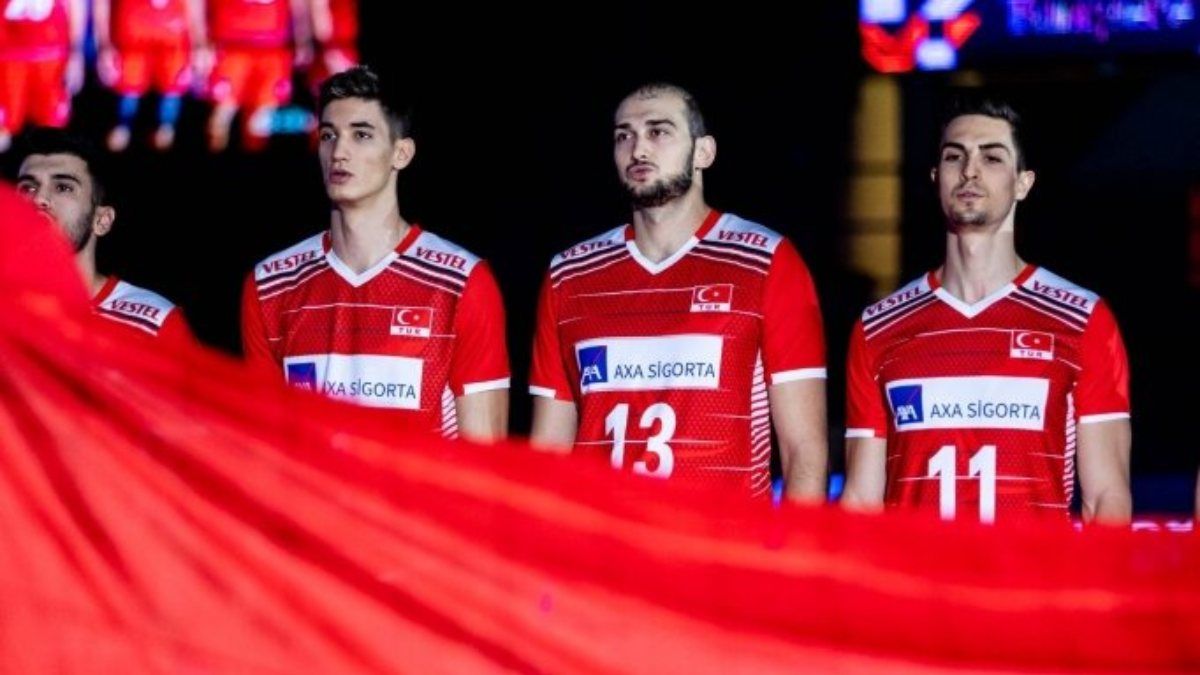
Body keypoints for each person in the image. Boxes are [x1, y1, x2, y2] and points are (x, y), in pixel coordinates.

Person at [528, 83, 828, 499]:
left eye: (658, 132)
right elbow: (548, 454)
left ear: (703, 152)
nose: (638, 149)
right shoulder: (570, 275)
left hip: (715, 536)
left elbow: (804, 453)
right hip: (601, 535)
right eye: (624, 135)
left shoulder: (766, 262)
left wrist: (791, 543)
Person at [840, 98, 1132, 525]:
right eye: (954, 156)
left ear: (1023, 183)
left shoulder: (1083, 319)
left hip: (1030, 569)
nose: (969, 171)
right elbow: (861, 502)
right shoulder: (878, 327)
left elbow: (1106, 498)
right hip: (917, 570)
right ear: (936, 178)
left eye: (991, 157)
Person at [241, 65, 510, 441]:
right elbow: (265, 446)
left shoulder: (461, 283)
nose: (339, 152)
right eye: (328, 135)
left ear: (401, 153)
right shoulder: (271, 286)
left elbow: (483, 459)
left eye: (361, 135)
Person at [14, 127, 193, 341]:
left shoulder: (155, 324)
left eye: (63, 187)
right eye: (28, 188)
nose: (38, 199)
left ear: (102, 221)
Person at [94, 0, 207, 152]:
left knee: (166, 124)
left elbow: (195, 4)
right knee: (121, 126)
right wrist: (104, 43)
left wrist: (199, 41)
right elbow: (102, 3)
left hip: (174, 43)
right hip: (130, 42)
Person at [204, 0, 312, 152]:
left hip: (273, 48)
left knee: (258, 123)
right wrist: (202, 40)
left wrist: (303, 40)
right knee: (222, 115)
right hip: (230, 46)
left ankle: (311, 122)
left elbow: (299, 6)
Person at [0, 0, 85, 153]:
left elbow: (74, 4)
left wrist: (75, 53)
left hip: (51, 54)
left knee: (51, 130)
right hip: (8, 55)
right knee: (3, 130)